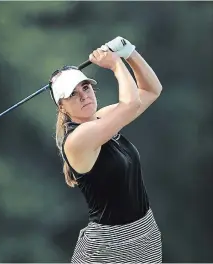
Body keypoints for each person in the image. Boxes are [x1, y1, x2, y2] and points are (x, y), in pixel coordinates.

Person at [49, 36, 163, 263]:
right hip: (106, 250)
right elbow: (131, 104)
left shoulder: (102, 118)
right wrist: (115, 64)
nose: (84, 95)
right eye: (73, 94)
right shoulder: (77, 139)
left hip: (145, 235)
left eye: (86, 87)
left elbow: (151, 90)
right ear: (62, 105)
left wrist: (128, 51)